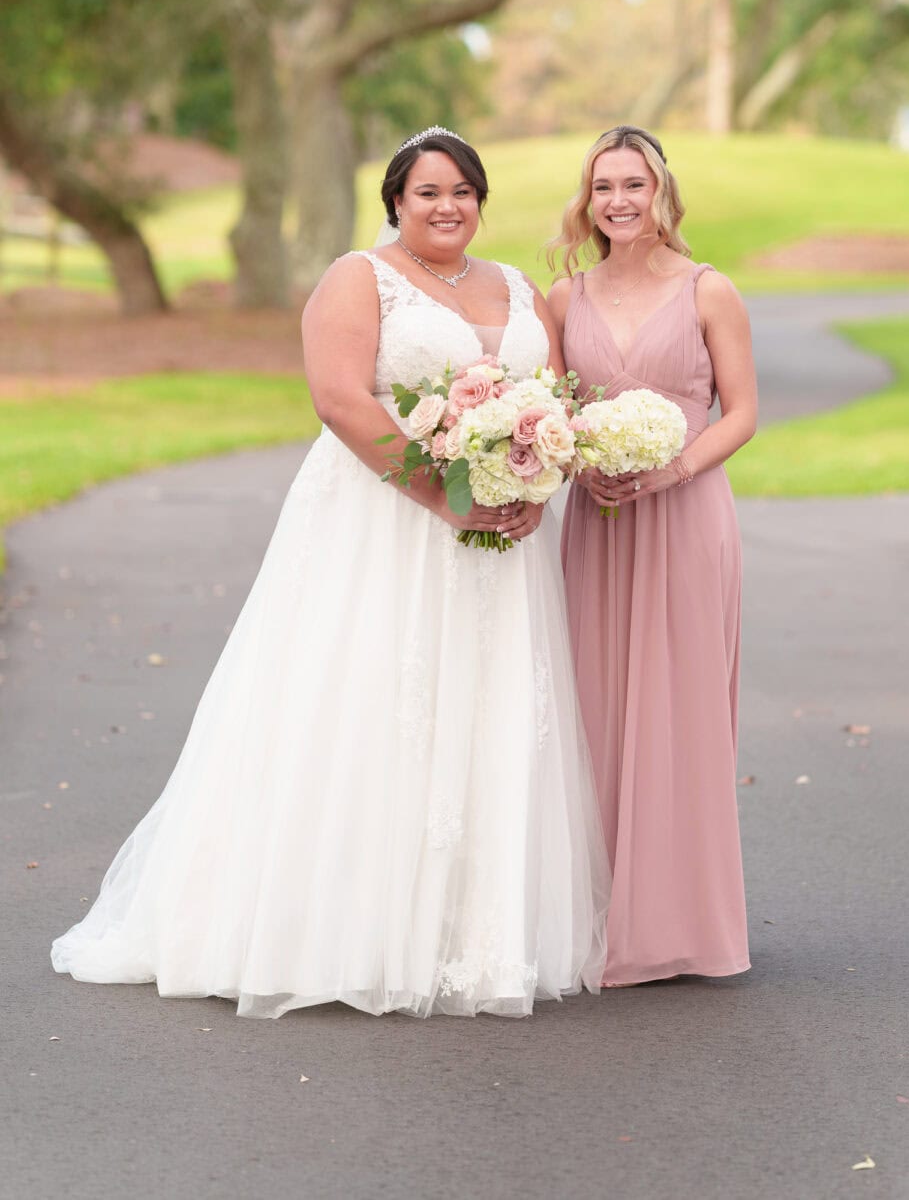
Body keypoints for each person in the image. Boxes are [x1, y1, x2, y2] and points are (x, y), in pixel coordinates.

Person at [52, 127, 608, 1019]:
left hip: (503, 541)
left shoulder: (517, 287)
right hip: (385, 523)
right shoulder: (359, 276)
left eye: (463, 191)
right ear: (396, 200)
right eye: (428, 191)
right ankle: (349, 930)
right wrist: (442, 495)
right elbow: (340, 397)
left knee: (489, 705)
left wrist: (536, 477)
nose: (447, 206)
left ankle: (474, 933)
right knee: (372, 700)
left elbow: (551, 404)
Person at [547, 125, 756, 986]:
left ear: (663, 193)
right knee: (592, 705)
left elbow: (740, 413)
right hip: (598, 522)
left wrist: (671, 469)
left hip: (686, 516)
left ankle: (679, 924)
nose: (619, 201)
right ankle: (594, 915)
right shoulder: (562, 300)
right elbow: (551, 410)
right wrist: (579, 468)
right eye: (604, 187)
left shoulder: (711, 291)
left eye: (635, 184)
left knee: (681, 711)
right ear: (586, 200)